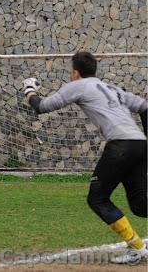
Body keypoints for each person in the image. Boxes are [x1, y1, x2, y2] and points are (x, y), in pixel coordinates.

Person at [22, 51, 147, 264]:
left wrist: (29, 89)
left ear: (75, 72)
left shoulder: (78, 85)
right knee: (141, 205)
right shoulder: (112, 88)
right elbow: (144, 106)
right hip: (139, 143)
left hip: (121, 145)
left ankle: (136, 247)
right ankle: (136, 247)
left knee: (97, 198)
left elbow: (41, 107)